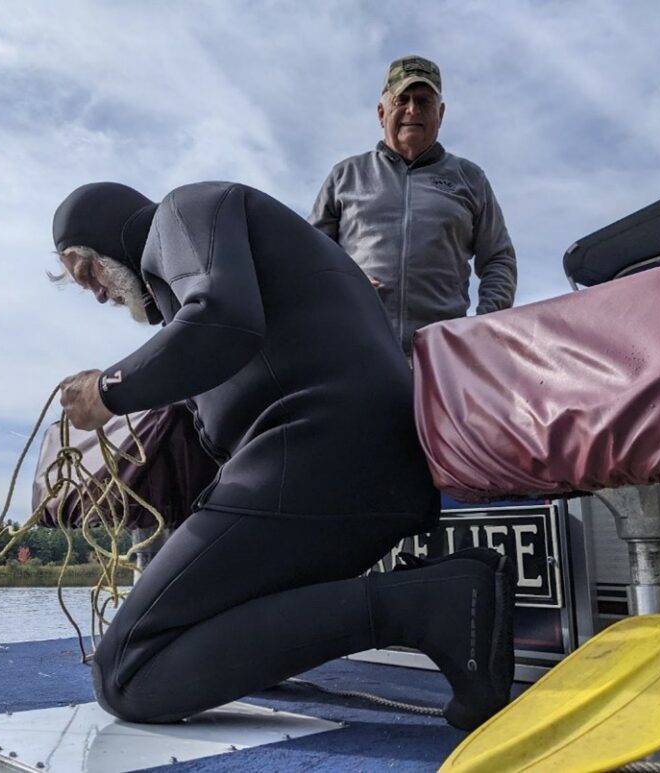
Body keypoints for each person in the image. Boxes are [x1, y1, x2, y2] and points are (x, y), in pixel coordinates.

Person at [50, 179, 515, 731]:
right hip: (356, 472)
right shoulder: (229, 254)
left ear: (111, 233)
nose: (98, 292)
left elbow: (221, 320)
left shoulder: (184, 212)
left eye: (89, 272)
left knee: (127, 673)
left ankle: (429, 603)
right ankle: (435, 596)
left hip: (315, 457)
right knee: (199, 628)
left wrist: (109, 391)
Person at [310, 55, 517, 356]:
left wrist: (483, 324)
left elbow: (499, 258)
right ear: (382, 113)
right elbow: (305, 257)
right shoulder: (346, 175)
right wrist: (342, 282)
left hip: (443, 357)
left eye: (423, 100)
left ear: (441, 113)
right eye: (402, 99)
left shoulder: (470, 179)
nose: (412, 109)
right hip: (352, 351)